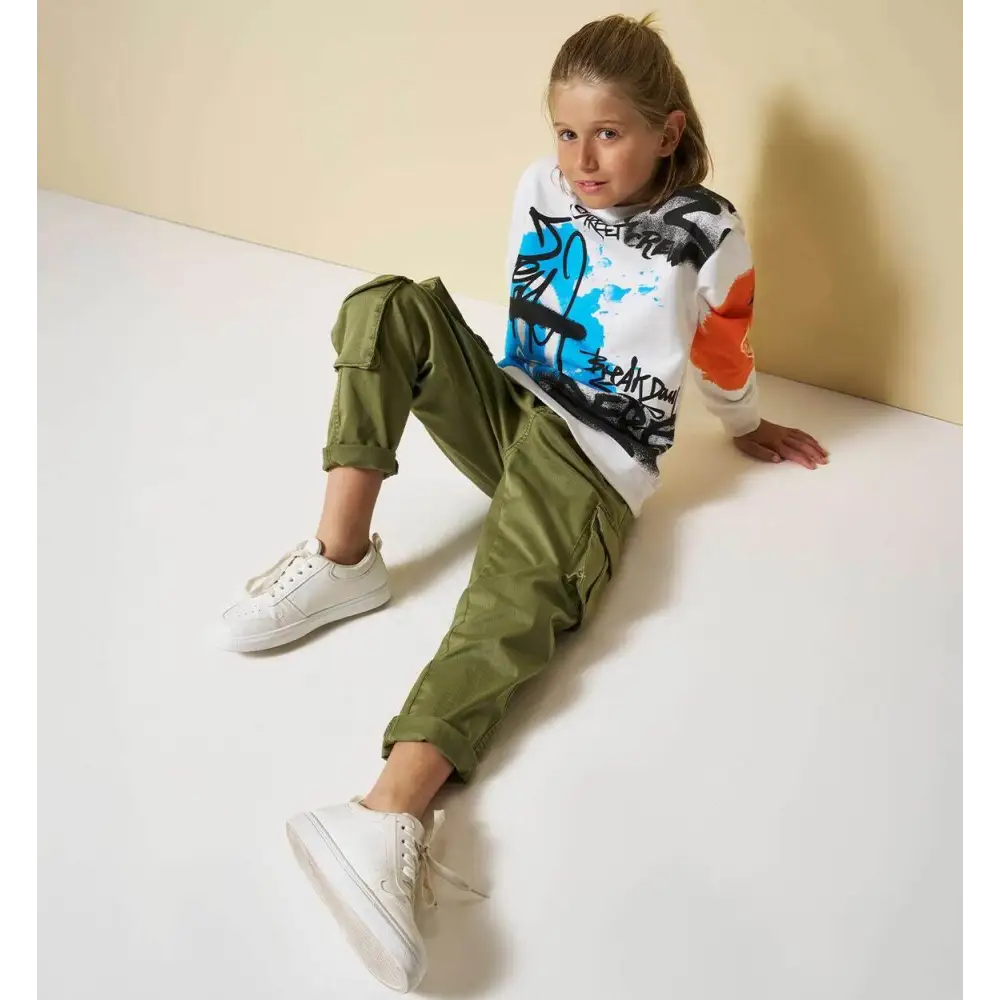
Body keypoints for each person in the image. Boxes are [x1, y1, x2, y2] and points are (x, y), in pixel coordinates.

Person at [213, 13, 828, 994]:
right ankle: (343, 558)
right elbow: (532, 315)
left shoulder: (705, 230)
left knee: (505, 602)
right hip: (515, 413)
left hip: (594, 467)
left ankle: (386, 810)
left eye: (608, 134)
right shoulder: (540, 187)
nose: (581, 160)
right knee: (388, 306)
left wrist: (745, 424)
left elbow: (723, 345)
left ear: (666, 131)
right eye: (566, 133)